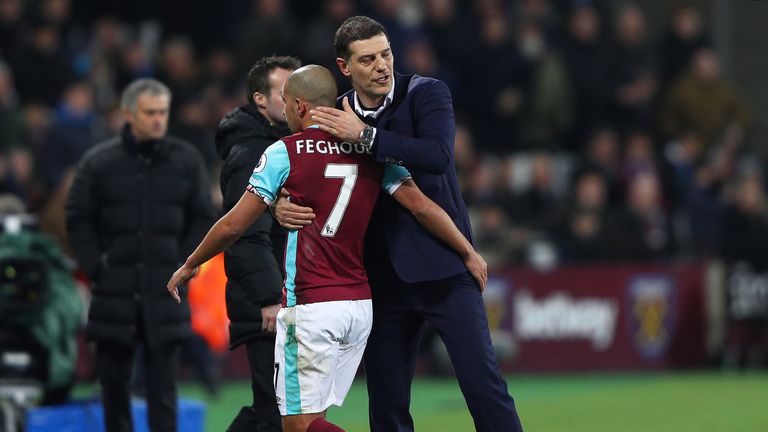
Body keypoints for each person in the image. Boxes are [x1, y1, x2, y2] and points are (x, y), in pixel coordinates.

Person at [166, 64, 487, 432]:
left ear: (301, 107)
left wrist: (192, 262)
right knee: (315, 419)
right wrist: (467, 250)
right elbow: (421, 205)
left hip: (312, 306)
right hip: (358, 307)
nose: (284, 112)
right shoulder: (368, 149)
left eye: (287, 103)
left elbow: (235, 223)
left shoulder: (283, 152)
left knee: (298, 426)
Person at [275, 16, 524, 432]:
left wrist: (367, 137)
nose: (381, 66)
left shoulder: (427, 93)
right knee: (387, 404)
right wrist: (278, 205)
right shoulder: (334, 117)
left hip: (444, 269)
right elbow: (303, 170)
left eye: (386, 54)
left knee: (483, 386)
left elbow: (437, 156)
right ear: (344, 67)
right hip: (380, 280)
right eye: (368, 59)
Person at [66, 78, 214, 432]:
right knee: (114, 389)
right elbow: (77, 218)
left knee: (164, 389)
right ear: (128, 114)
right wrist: (96, 266)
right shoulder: (98, 163)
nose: (158, 120)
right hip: (114, 294)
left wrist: (186, 263)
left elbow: (204, 218)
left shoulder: (186, 160)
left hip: (167, 292)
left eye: (162, 112)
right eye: (150, 113)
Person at [214, 55, 300, 432]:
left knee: (276, 409)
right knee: (275, 412)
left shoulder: (285, 145)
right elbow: (244, 233)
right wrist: (269, 297)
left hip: (284, 294)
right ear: (259, 100)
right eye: (284, 92)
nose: (294, 99)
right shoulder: (252, 153)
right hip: (268, 300)